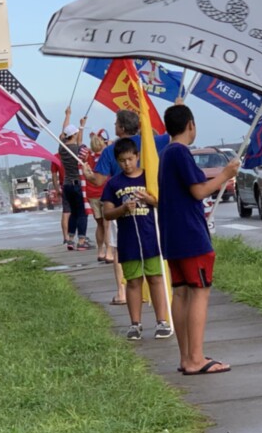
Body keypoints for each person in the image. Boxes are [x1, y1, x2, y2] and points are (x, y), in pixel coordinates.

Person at [158, 103, 238, 375]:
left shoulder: (167, 153)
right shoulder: (181, 153)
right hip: (191, 236)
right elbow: (199, 191)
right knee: (199, 294)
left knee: (180, 294)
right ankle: (196, 358)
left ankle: (186, 357)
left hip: (172, 237)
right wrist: (226, 175)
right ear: (191, 125)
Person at [101, 138, 172, 340]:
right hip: (128, 240)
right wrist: (122, 209)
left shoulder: (150, 178)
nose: (127, 164)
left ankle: (162, 321)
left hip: (151, 237)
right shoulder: (114, 184)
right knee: (132, 282)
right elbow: (107, 213)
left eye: (130, 159)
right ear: (117, 161)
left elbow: (164, 202)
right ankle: (135, 324)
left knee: (156, 279)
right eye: (122, 161)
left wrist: (151, 200)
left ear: (138, 156)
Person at [59, 114, 92, 251]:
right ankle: (82, 240)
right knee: (82, 213)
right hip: (78, 185)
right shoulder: (78, 150)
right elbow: (80, 143)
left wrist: (67, 115)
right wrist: (82, 125)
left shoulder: (62, 148)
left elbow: (64, 132)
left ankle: (71, 240)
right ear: (73, 135)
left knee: (72, 212)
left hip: (66, 185)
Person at [86, 129, 111, 262]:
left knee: (100, 224)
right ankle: (109, 252)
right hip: (105, 191)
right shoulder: (107, 155)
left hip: (92, 193)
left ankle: (100, 251)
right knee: (108, 225)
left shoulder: (88, 156)